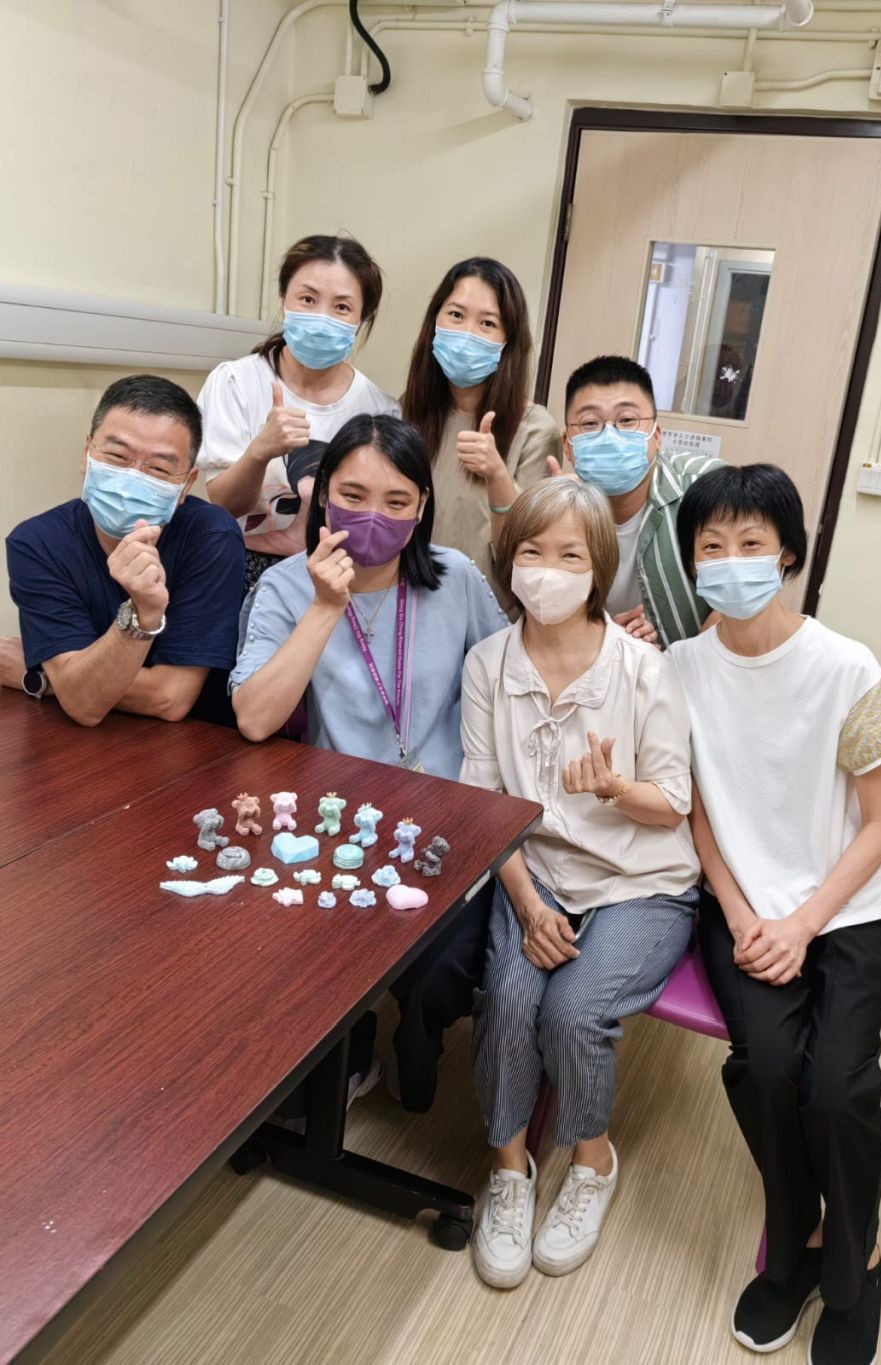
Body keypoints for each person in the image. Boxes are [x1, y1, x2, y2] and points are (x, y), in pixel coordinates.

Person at [668, 464, 881, 1365]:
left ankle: (857, 1263)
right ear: (692, 562)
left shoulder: (848, 667)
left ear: (788, 555)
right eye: (712, 545)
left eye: (751, 543)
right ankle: (797, 1239)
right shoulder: (678, 670)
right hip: (742, 909)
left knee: (838, 1085)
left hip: (849, 911)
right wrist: (738, 913)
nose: (731, 561)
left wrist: (804, 922)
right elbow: (697, 813)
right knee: (767, 1067)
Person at [461, 478, 700, 1289]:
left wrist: (615, 789)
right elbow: (485, 804)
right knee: (508, 998)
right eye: (532, 551)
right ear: (508, 560)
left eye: (570, 555)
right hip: (535, 870)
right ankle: (509, 1168)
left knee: (573, 1008)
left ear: (598, 568)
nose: (548, 570)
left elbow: (672, 805)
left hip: (640, 878)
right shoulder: (488, 664)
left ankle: (592, 1160)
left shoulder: (644, 670)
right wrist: (529, 904)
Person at [231, 413, 507, 1110]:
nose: (373, 517)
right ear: (323, 496)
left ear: (421, 508)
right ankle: (341, 1054)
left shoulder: (455, 577)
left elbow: (512, 677)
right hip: (340, 820)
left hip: (448, 813)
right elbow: (255, 717)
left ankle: (417, 1035)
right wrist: (326, 606)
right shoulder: (285, 587)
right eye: (352, 496)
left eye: (396, 501)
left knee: (442, 966)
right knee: (295, 950)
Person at [1, 375, 244, 726]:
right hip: (84, 742)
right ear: (87, 454)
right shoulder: (37, 543)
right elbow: (84, 704)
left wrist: (45, 677)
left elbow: (170, 698)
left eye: (158, 468)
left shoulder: (211, 536)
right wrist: (72, 684)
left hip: (197, 739)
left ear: (186, 485)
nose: (132, 480)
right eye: (116, 456)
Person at [197, 234, 399, 587]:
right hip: (238, 564)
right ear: (284, 300)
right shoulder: (235, 382)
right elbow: (224, 504)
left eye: (341, 307)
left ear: (361, 318)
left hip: (337, 570)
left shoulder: (379, 409)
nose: (321, 317)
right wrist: (261, 451)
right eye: (307, 299)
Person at [401, 257, 560, 604]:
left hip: (490, 612)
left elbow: (535, 550)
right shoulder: (406, 414)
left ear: (508, 341)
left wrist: (497, 474)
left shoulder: (535, 430)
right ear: (434, 321)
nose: (467, 334)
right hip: (408, 604)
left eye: (487, 323)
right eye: (456, 315)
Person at [558, 355, 725, 647]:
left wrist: (688, 659)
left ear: (656, 436)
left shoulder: (708, 487)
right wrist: (604, 637)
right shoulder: (559, 509)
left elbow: (745, 589)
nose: (610, 435)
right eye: (589, 423)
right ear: (567, 445)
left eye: (626, 420)